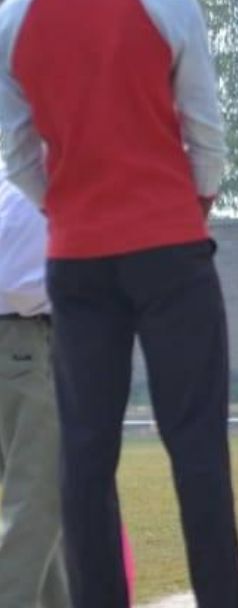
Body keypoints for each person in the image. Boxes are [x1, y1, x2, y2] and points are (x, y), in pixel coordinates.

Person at [0, 0, 238, 607]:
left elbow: (19, 151)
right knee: (196, 448)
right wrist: (194, 205)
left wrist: (65, 209)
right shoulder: (167, 4)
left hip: (77, 260)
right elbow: (204, 133)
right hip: (169, 249)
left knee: (84, 456)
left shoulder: (13, 15)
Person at [0, 175, 70, 607]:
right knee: (39, 501)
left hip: (17, 346)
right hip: (27, 340)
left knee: (44, 507)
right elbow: (18, 283)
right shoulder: (43, 186)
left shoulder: (14, 182)